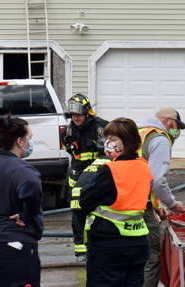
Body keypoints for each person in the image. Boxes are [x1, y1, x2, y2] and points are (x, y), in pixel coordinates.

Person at [79, 117, 153, 287]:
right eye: (107, 139)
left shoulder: (109, 170)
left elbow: (85, 200)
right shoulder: (144, 168)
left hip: (109, 245)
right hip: (138, 242)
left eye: (112, 139)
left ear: (126, 142)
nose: (107, 143)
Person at [0, 115, 43, 287]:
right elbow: (32, 191)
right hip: (11, 245)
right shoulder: (20, 168)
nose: (31, 143)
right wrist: (26, 216)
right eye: (30, 139)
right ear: (20, 141)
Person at [137, 108, 185, 287]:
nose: (177, 131)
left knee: (129, 253)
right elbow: (157, 180)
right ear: (166, 121)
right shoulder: (160, 139)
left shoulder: (139, 132)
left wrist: (157, 204)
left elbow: (142, 172)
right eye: (176, 125)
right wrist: (172, 204)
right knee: (152, 254)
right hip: (139, 206)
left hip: (121, 202)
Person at [61, 93, 109, 260]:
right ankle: (81, 252)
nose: (76, 118)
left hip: (97, 178)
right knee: (77, 214)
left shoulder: (101, 127)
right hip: (76, 180)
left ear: (87, 113)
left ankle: (98, 248)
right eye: (73, 115)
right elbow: (70, 150)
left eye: (79, 114)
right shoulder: (68, 131)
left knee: (99, 213)